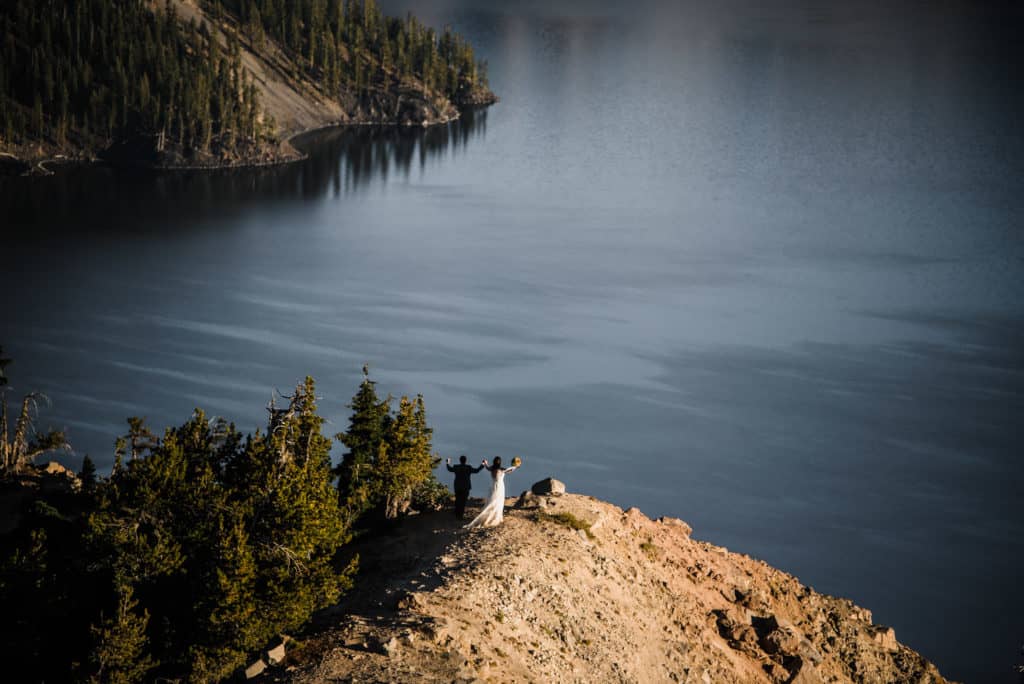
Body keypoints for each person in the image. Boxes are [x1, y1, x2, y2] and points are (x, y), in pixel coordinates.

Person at [465, 456, 520, 529]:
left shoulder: (491, 468)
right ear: (500, 462)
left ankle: (489, 515)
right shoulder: (502, 470)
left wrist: (485, 463)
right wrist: (515, 466)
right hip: (500, 487)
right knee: (498, 501)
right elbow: (509, 470)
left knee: (492, 500)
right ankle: (495, 517)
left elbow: (487, 468)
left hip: (493, 486)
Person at [446, 455, 484, 519]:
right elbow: (477, 470)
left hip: (457, 486)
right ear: (466, 461)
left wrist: (448, 462)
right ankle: (460, 515)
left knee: (457, 500)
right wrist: (482, 464)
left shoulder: (456, 467)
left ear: (460, 460)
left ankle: (457, 514)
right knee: (463, 501)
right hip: (466, 487)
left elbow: (449, 469)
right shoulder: (468, 467)